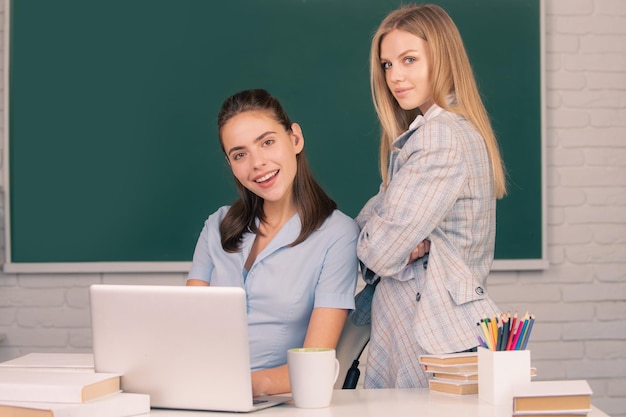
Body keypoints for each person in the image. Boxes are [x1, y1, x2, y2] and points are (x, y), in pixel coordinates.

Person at [355, 4, 507, 389]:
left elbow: (380, 251)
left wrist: (387, 239)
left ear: (442, 57)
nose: (395, 76)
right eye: (387, 64)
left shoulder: (438, 137)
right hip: (424, 333)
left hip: (432, 338)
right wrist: (389, 236)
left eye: (409, 59)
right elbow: (371, 230)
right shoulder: (430, 134)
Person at [186, 89, 359, 396]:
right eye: (240, 154)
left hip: (274, 402)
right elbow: (187, 328)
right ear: (231, 165)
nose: (258, 163)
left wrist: (239, 385)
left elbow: (314, 366)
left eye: (267, 142)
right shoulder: (217, 225)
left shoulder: (338, 235)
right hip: (198, 392)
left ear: (295, 139)